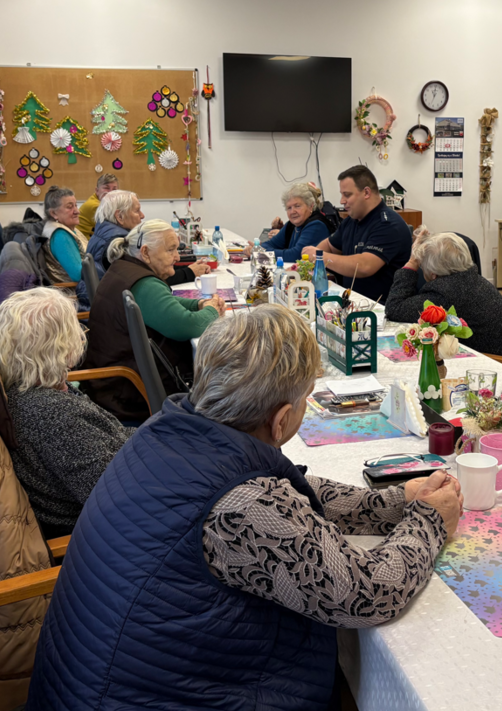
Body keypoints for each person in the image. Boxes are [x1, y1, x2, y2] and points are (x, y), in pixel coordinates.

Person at [26, 305, 463, 711]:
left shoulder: (171, 428)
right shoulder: (241, 506)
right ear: (281, 419)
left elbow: (286, 489)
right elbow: (368, 594)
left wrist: (392, 502)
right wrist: (429, 521)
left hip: (101, 686)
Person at [0, 287, 136, 539]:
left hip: (132, 468)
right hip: (110, 534)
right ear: (59, 347)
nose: (80, 337)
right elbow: (121, 500)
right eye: (75, 331)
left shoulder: (42, 389)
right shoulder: (53, 417)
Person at [79, 220, 225, 423]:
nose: (177, 257)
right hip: (128, 394)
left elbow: (166, 303)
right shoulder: (144, 284)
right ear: (146, 252)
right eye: (171, 250)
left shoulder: (125, 269)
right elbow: (188, 326)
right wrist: (212, 311)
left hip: (111, 387)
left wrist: (199, 304)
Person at [385, 228, 502, 357]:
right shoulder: (472, 280)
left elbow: (395, 309)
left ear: (433, 274)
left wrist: (412, 262)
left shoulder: (444, 292)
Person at [302, 165, 411, 302]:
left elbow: (365, 266)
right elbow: (330, 245)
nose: (342, 201)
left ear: (366, 193)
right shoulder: (352, 220)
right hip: (351, 301)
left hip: (379, 307)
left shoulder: (388, 225)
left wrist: (320, 258)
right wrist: (309, 265)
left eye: (347, 195)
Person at [87, 190, 210, 285]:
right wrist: (190, 273)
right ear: (120, 216)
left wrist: (190, 268)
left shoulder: (102, 234)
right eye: (137, 211)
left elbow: (155, 267)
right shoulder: (118, 242)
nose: (142, 216)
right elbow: (149, 279)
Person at [252, 182, 334, 262]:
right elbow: (270, 244)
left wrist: (261, 252)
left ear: (310, 206)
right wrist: (260, 250)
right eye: (289, 208)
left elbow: (295, 255)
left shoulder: (317, 225)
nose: (292, 212)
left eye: (297, 206)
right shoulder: (291, 225)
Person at [41, 185, 86, 287]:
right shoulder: (60, 236)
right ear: (53, 213)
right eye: (69, 207)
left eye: (76, 205)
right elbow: (79, 275)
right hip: (73, 292)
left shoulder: (68, 228)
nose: (77, 211)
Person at [76, 173, 119, 240]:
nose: (111, 192)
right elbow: (114, 228)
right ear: (97, 191)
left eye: (114, 189)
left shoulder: (103, 202)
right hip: (83, 242)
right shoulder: (95, 206)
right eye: (106, 188)